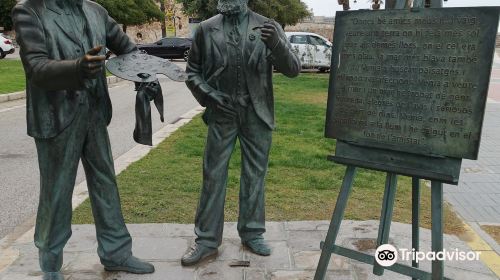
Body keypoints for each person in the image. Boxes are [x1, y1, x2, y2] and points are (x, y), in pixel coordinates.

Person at [12, 0, 155, 279]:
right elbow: (36, 68)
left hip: (95, 111)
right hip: (56, 116)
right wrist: (77, 68)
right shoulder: (29, 10)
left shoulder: (95, 10)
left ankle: (117, 253)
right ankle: (51, 264)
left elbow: (127, 49)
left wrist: (144, 73)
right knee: (57, 191)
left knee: (105, 182)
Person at [182, 0, 301, 266]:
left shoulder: (268, 27)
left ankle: (252, 233)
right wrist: (209, 95)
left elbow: (293, 69)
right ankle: (207, 240)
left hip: (256, 112)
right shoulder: (205, 29)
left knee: (254, 175)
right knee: (213, 174)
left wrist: (277, 45)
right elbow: (192, 73)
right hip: (222, 113)